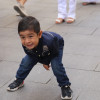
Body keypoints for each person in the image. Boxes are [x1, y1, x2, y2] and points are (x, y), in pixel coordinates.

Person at [7, 16, 72, 100]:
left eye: (30, 36)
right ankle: (19, 80)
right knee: (25, 62)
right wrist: (43, 61)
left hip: (56, 46)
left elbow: (53, 52)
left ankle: (65, 85)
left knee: (56, 65)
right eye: (23, 37)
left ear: (39, 34)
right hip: (37, 49)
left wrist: (46, 62)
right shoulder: (27, 44)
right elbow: (31, 54)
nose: (27, 41)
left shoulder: (50, 42)